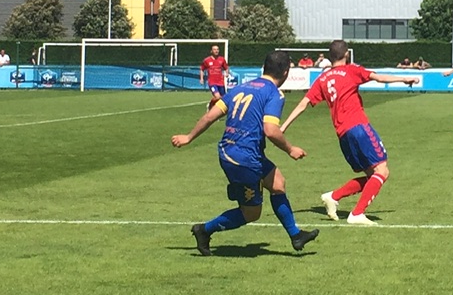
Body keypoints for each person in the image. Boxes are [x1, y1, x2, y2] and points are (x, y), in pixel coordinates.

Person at [170, 50, 320, 254]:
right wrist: (290, 149)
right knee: (251, 213)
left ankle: (296, 236)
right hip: (243, 159)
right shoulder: (274, 94)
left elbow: (209, 117)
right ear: (285, 72)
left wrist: (188, 137)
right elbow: (271, 130)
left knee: (278, 184)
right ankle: (204, 230)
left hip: (237, 151)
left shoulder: (240, 88)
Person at [282, 39, 418, 225]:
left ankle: (333, 196)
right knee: (382, 171)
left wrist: (282, 128)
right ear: (346, 54)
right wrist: (404, 78)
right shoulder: (352, 70)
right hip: (359, 127)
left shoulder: (322, 78)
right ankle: (357, 214)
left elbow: (303, 104)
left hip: (343, 135)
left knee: (373, 175)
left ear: (330, 57)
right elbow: (378, 77)